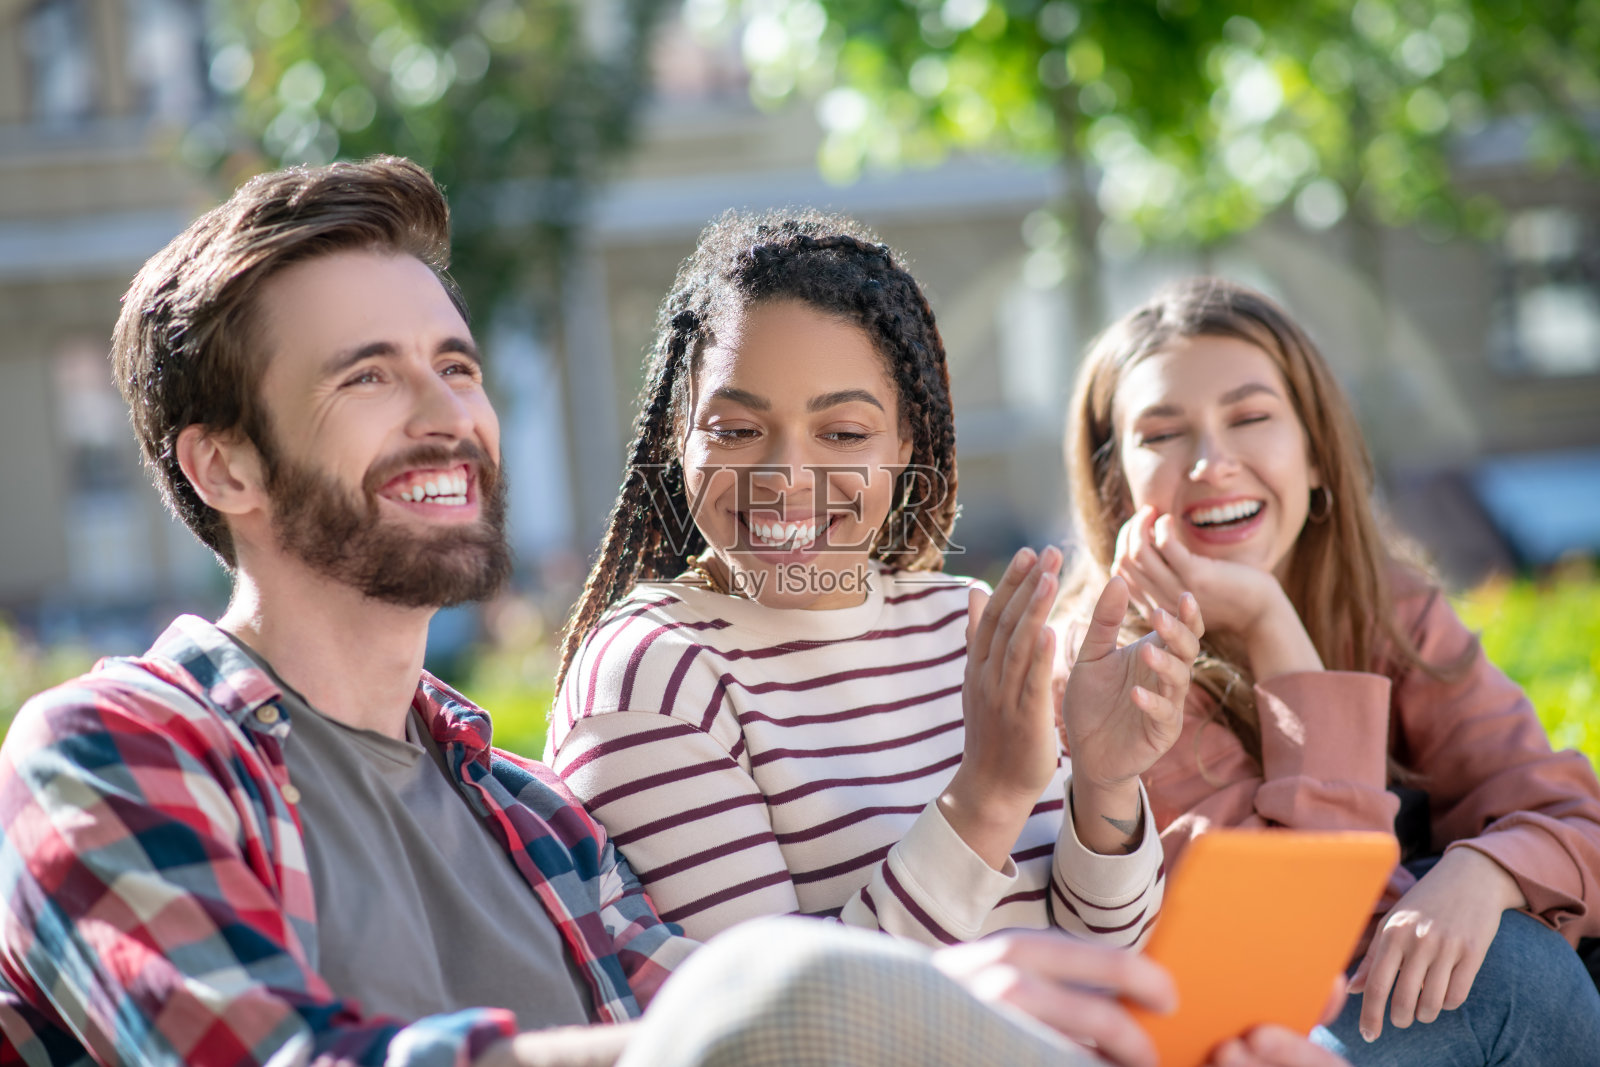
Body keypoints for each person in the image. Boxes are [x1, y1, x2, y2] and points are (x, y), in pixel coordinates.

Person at [0, 156, 1341, 1067]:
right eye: (368, 377)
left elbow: (743, 1029)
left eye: (456, 365)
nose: (447, 413)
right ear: (225, 464)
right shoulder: (116, 750)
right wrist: (904, 1008)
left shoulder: (529, 819)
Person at [546, 209, 1205, 965]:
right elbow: (774, 1015)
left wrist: (1106, 784)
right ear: (678, 436)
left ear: (904, 443)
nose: (787, 477)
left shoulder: (962, 624)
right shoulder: (655, 674)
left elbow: (1108, 948)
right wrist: (984, 799)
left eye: (844, 433)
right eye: (735, 431)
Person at [1055, 276, 1600, 1065]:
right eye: (1164, 433)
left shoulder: (1387, 606)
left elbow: (1575, 818)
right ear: (1116, 487)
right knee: (1514, 975)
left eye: (1250, 417)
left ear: (1315, 453)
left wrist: (1487, 870)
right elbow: (1316, 933)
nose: (1212, 462)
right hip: (1243, 1040)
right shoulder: (1108, 668)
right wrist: (1269, 621)